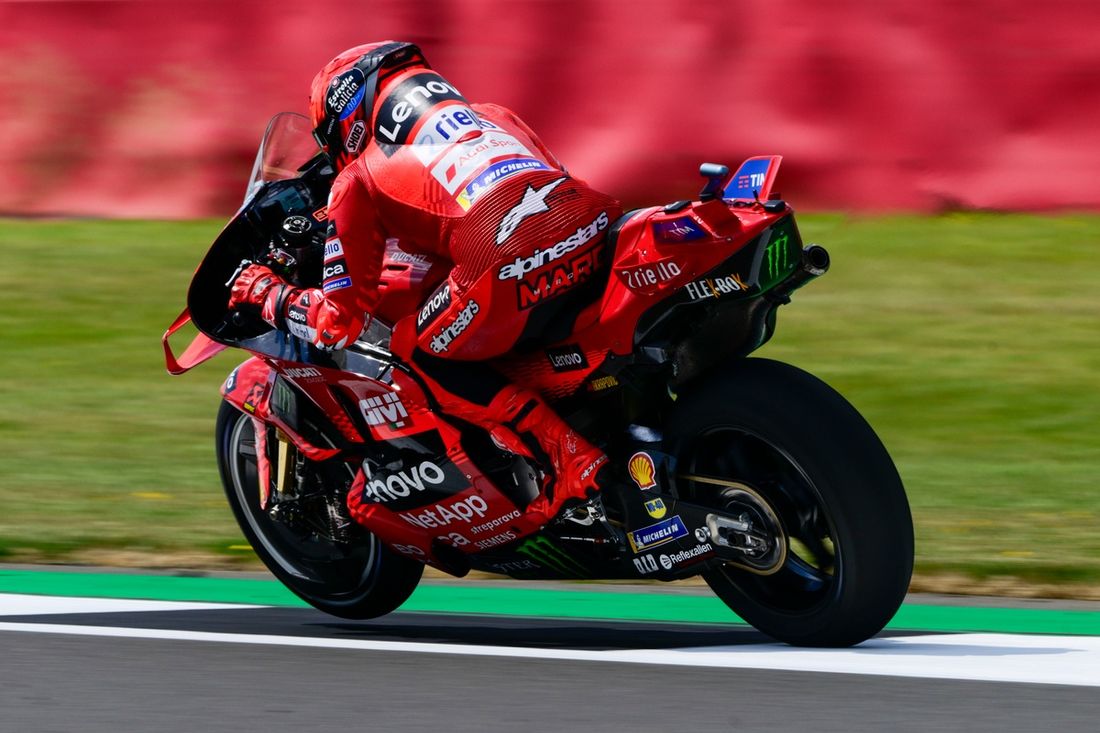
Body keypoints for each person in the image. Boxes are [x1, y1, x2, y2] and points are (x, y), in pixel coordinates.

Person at [229, 41, 621, 531]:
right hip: (592, 227)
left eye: (331, 138)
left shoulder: (358, 177)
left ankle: (565, 455)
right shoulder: (494, 115)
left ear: (347, 117)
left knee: (411, 346)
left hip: (506, 261)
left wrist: (267, 292)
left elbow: (340, 323)